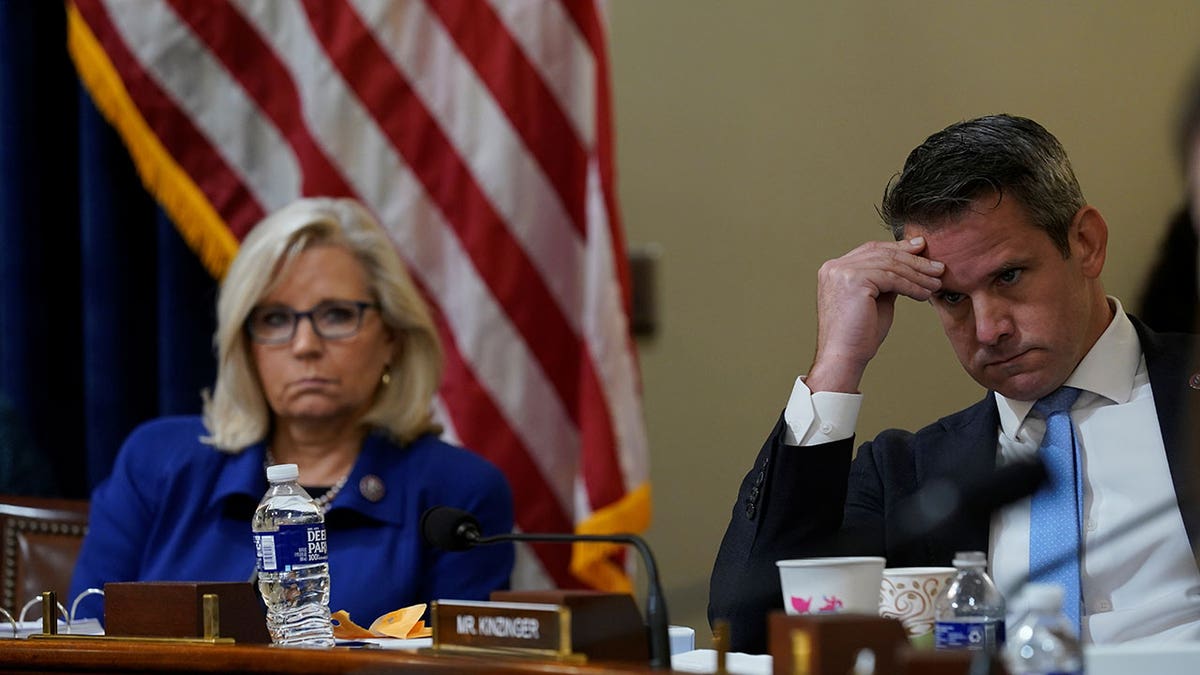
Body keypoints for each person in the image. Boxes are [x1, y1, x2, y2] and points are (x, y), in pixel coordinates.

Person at [709, 115, 1200, 653]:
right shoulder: (912, 480)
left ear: (1085, 243)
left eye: (1007, 277)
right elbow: (748, 628)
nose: (989, 330)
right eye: (952, 298)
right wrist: (836, 364)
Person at [70, 197, 515, 622]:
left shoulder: (457, 494)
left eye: (338, 315)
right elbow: (84, 636)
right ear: (245, 345)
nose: (305, 346)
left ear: (392, 339)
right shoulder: (157, 462)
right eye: (275, 319)